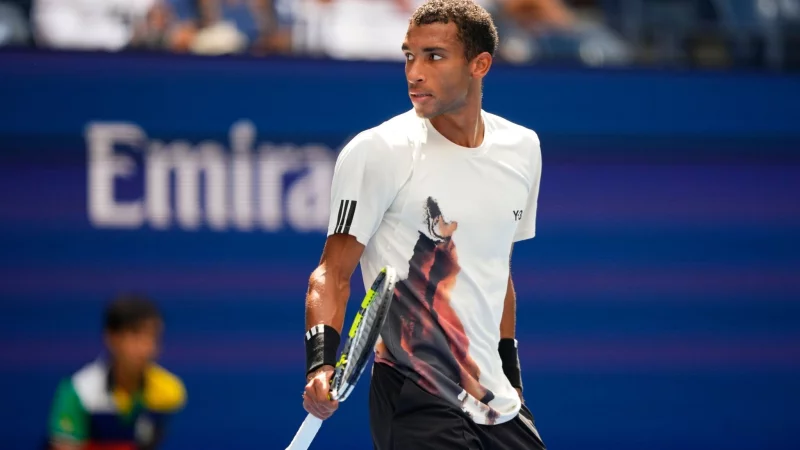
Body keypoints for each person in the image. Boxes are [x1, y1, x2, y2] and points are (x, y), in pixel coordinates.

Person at [301, 0, 545, 448]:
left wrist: (510, 377)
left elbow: (496, 275)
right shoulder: (379, 150)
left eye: (434, 56)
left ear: (480, 64)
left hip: (495, 400)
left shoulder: (523, 148)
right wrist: (320, 364)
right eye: (408, 56)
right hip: (413, 392)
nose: (414, 72)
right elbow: (331, 273)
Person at [46, 294, 186, 450]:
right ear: (111, 337)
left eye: (153, 337)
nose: (146, 348)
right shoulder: (78, 391)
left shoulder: (170, 392)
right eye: (135, 336)